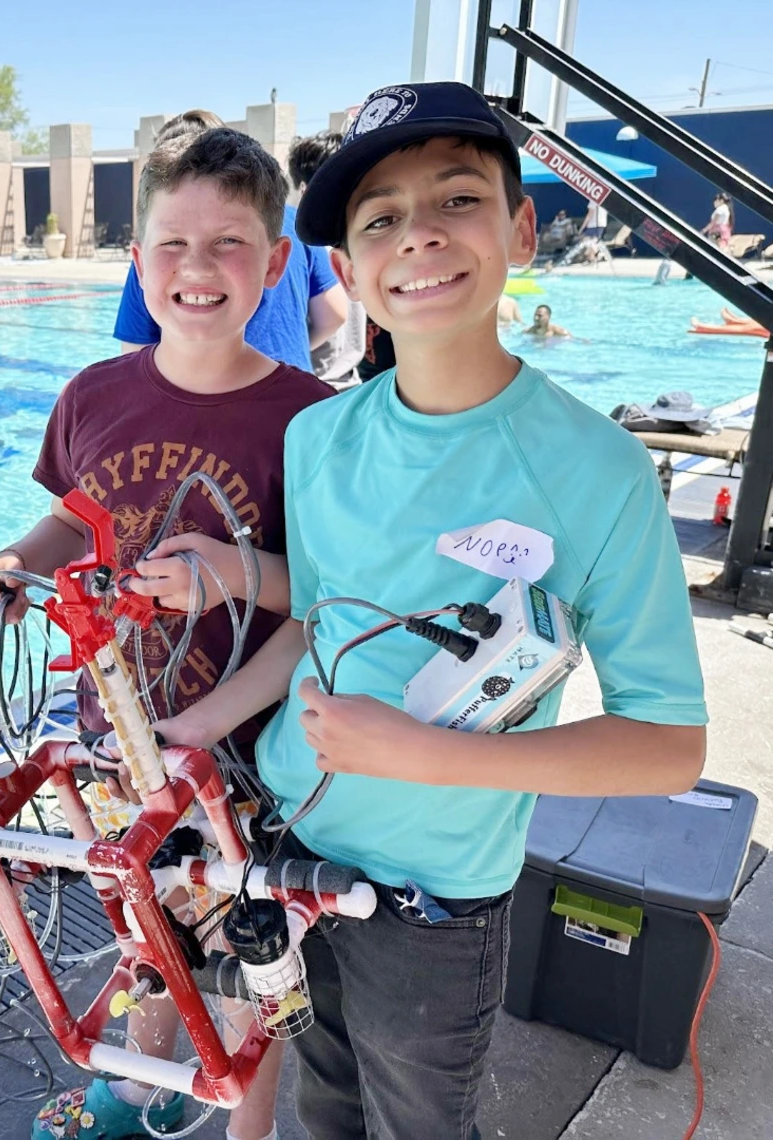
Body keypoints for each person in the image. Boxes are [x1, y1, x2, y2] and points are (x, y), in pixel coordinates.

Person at [150, 81, 706, 1139]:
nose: (421, 238)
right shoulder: (319, 439)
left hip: (432, 903)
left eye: (456, 199)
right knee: (322, 1101)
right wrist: (201, 729)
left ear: (522, 227)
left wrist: (425, 754)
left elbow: (669, 747)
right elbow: (317, 623)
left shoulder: (601, 472)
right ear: (349, 272)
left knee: (416, 1122)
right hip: (289, 844)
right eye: (381, 219)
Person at [0, 127, 333, 1140]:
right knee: (143, 922)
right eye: (172, 244)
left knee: (241, 957)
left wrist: (207, 719)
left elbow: (328, 605)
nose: (198, 268)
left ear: (274, 265)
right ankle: (138, 1092)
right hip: (118, 734)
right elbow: (77, 514)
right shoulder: (95, 394)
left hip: (248, 753)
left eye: (230, 244)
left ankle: (243, 1130)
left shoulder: (311, 420)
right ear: (138, 263)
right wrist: (17, 559)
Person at [114, 110, 349, 370]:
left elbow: (133, 355)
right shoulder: (297, 223)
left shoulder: (160, 251)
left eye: (228, 241)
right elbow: (335, 312)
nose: (197, 269)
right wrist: (289, 358)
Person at [289, 131, 367, 387]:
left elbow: (334, 316)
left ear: (304, 189)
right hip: (353, 382)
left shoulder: (310, 247)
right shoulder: (364, 241)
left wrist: (299, 346)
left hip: (320, 385)